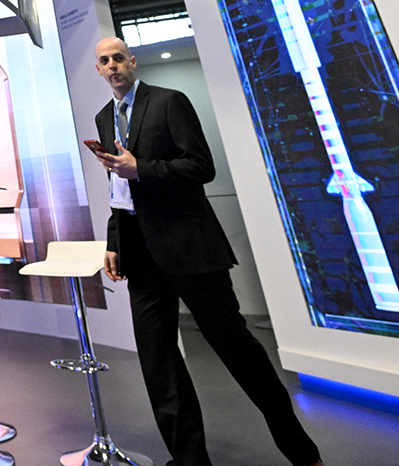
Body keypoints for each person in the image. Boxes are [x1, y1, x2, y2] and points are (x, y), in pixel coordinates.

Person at [91, 37, 323, 466]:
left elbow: (201, 166)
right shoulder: (105, 117)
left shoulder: (168, 102)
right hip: (140, 256)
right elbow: (118, 187)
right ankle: (190, 460)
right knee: (159, 366)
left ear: (132, 62)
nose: (113, 66)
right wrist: (113, 240)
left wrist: (143, 168)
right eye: (104, 61)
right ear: (100, 70)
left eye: (118, 58)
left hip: (191, 249)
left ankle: (302, 452)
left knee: (239, 352)